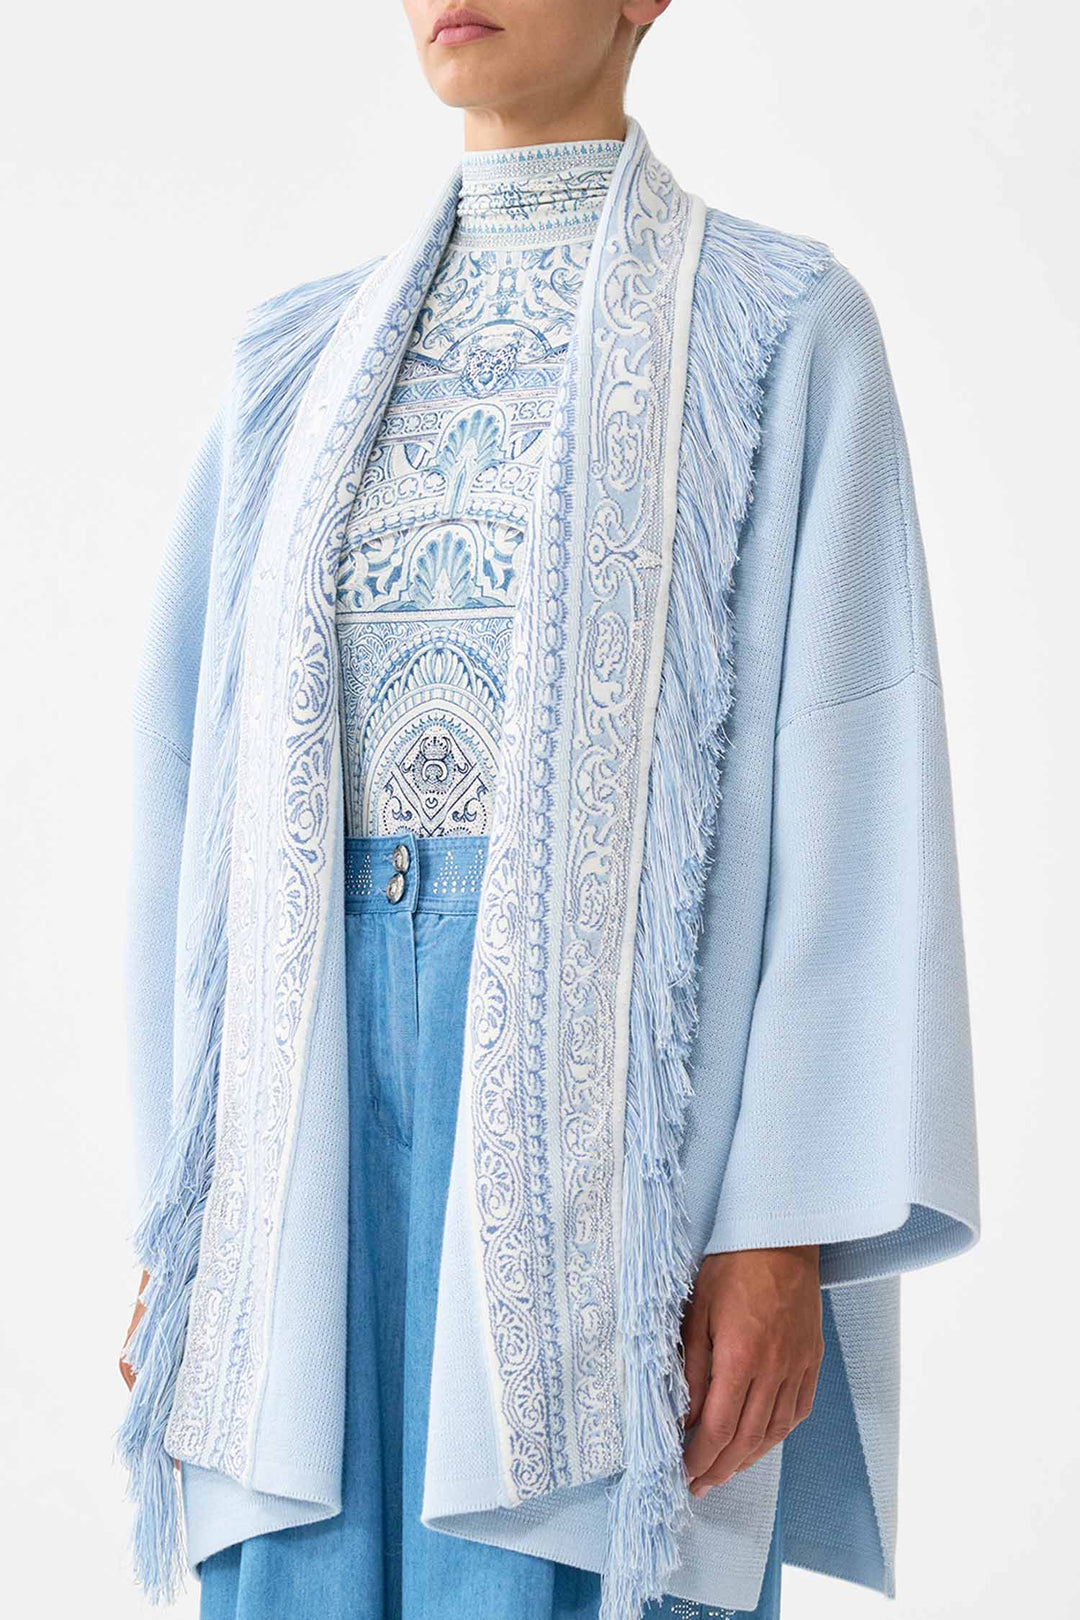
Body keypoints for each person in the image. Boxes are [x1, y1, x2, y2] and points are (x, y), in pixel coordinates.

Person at [118, 4, 980, 1618]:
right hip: (305, 1100)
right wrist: (187, 1213)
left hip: (614, 1115)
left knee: (567, 1558)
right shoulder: (292, 364)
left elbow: (854, 791)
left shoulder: (780, 330)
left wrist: (780, 1228)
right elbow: (190, 799)